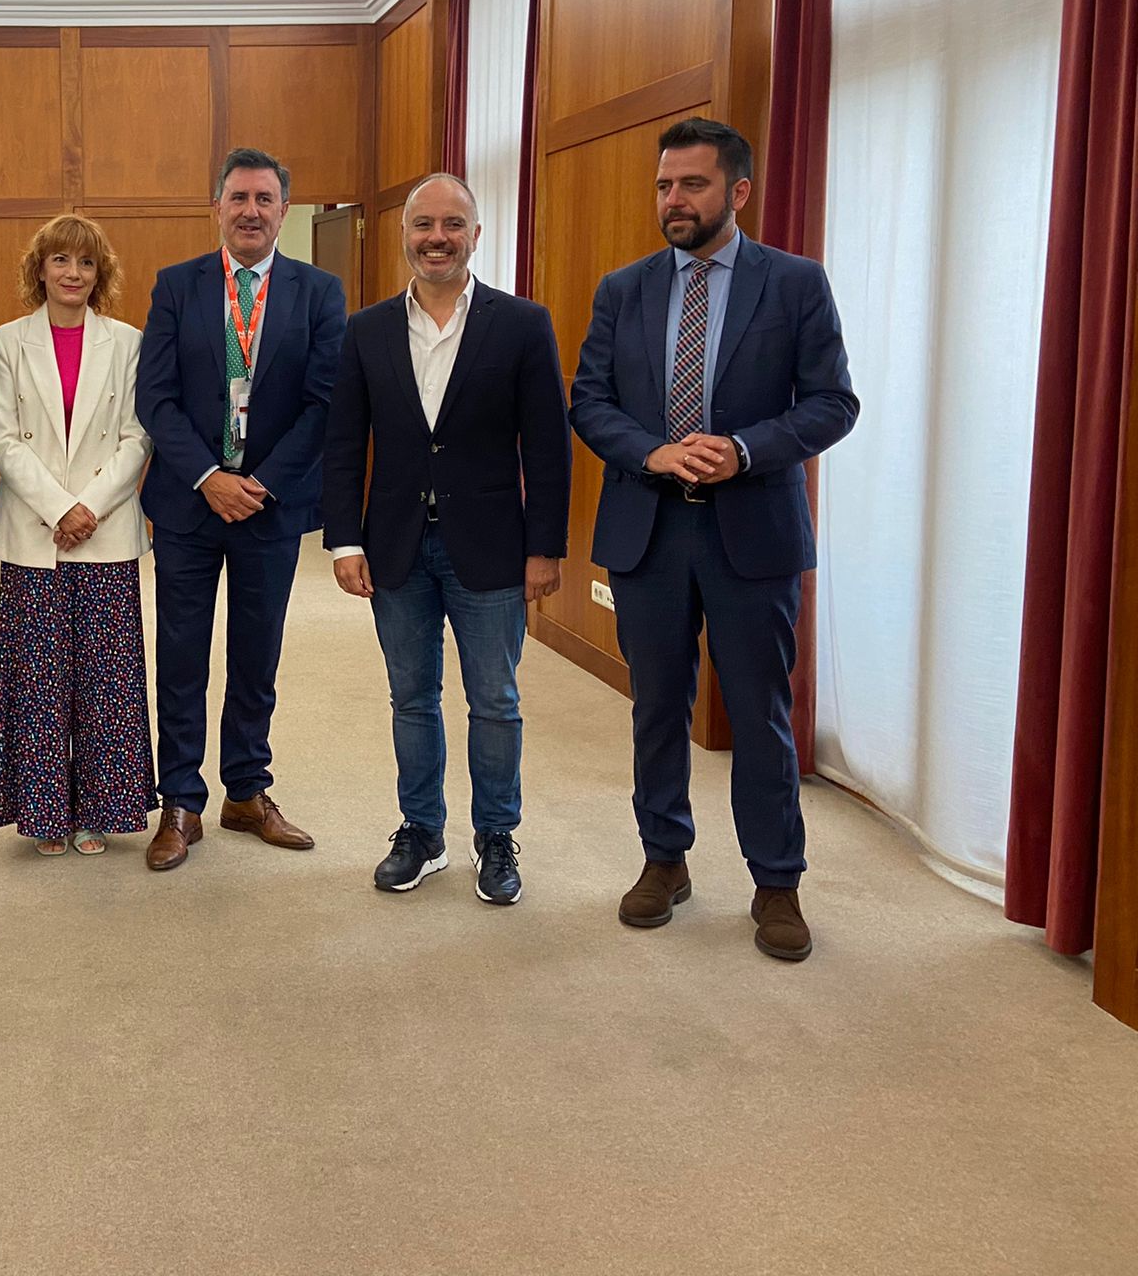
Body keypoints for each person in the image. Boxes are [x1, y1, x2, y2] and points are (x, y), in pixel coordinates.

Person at [569, 117, 858, 962]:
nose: (673, 200)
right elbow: (589, 401)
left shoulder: (796, 284)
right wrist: (655, 450)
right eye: (664, 185)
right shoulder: (624, 288)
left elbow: (832, 403)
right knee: (656, 708)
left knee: (760, 714)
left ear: (737, 191)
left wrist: (741, 449)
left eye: (691, 185)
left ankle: (777, 882)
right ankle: (665, 860)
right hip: (648, 531)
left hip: (753, 532)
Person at [324, 174, 571, 902]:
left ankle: (496, 837)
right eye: (425, 224)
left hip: (492, 545)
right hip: (395, 544)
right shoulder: (365, 329)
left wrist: (545, 546)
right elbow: (344, 443)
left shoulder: (522, 323)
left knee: (494, 700)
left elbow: (548, 445)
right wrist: (344, 540)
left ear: (476, 235)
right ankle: (422, 832)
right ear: (405, 234)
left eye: (453, 225)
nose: (438, 237)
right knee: (411, 697)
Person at [135, 147, 346, 871]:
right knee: (181, 656)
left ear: (284, 210)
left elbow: (325, 403)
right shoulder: (177, 286)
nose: (251, 211)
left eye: (264, 199)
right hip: (190, 505)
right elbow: (154, 398)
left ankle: (248, 792)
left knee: (258, 657)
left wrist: (259, 483)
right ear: (216, 208)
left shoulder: (319, 292)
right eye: (238, 198)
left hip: (271, 507)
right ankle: (181, 802)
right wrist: (206, 477)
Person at [0, 215, 155, 855]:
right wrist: (60, 509)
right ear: (40, 269)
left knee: (107, 678)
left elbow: (140, 434)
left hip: (106, 531)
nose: (72, 274)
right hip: (33, 533)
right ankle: (45, 812)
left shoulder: (128, 342)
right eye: (60, 260)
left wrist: (91, 506)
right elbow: (1, 436)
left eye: (85, 263)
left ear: (99, 273)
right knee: (36, 679)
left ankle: (100, 811)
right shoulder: (5, 341)